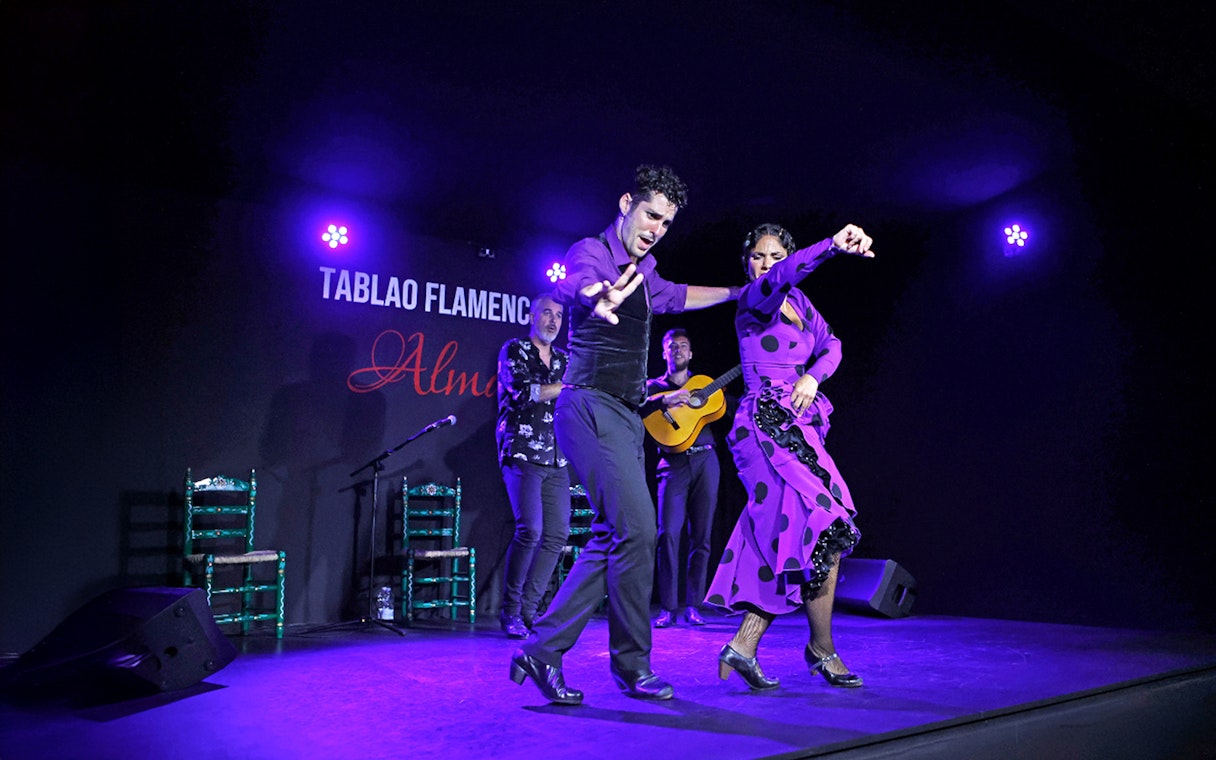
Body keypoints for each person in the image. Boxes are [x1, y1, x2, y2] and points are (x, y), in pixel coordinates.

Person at [509, 165, 737, 705]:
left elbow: (678, 294)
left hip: (627, 417)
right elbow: (582, 278)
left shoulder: (646, 273)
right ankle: (632, 666)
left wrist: (739, 292)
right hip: (588, 407)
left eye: (667, 222)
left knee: (620, 533)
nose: (657, 227)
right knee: (638, 528)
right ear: (626, 203)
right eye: (651, 214)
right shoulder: (595, 251)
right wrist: (597, 295)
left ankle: (542, 651)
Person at [705, 221, 874, 692]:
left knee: (799, 534)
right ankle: (821, 650)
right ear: (748, 264)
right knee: (824, 525)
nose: (767, 263)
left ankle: (744, 644)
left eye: (776, 255)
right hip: (764, 424)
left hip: (798, 423)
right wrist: (832, 247)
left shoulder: (800, 303)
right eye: (758, 256)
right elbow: (783, 277)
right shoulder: (755, 297)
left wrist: (813, 377)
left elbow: (833, 345)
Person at [495, 294, 572, 639]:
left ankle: (529, 610)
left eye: (558, 315)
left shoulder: (565, 359)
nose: (553, 321)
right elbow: (523, 393)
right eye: (547, 313)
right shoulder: (514, 350)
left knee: (557, 534)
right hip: (523, 451)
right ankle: (510, 611)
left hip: (558, 456)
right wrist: (568, 386)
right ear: (532, 316)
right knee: (531, 531)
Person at [646, 328, 721, 629]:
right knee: (668, 535)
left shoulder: (703, 385)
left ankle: (694, 606)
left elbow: (724, 406)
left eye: (683, 346)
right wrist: (668, 398)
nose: (677, 349)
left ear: (691, 354)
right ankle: (667, 607)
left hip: (706, 459)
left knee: (701, 537)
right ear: (664, 352)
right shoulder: (654, 387)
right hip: (672, 464)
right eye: (671, 346)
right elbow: (639, 402)